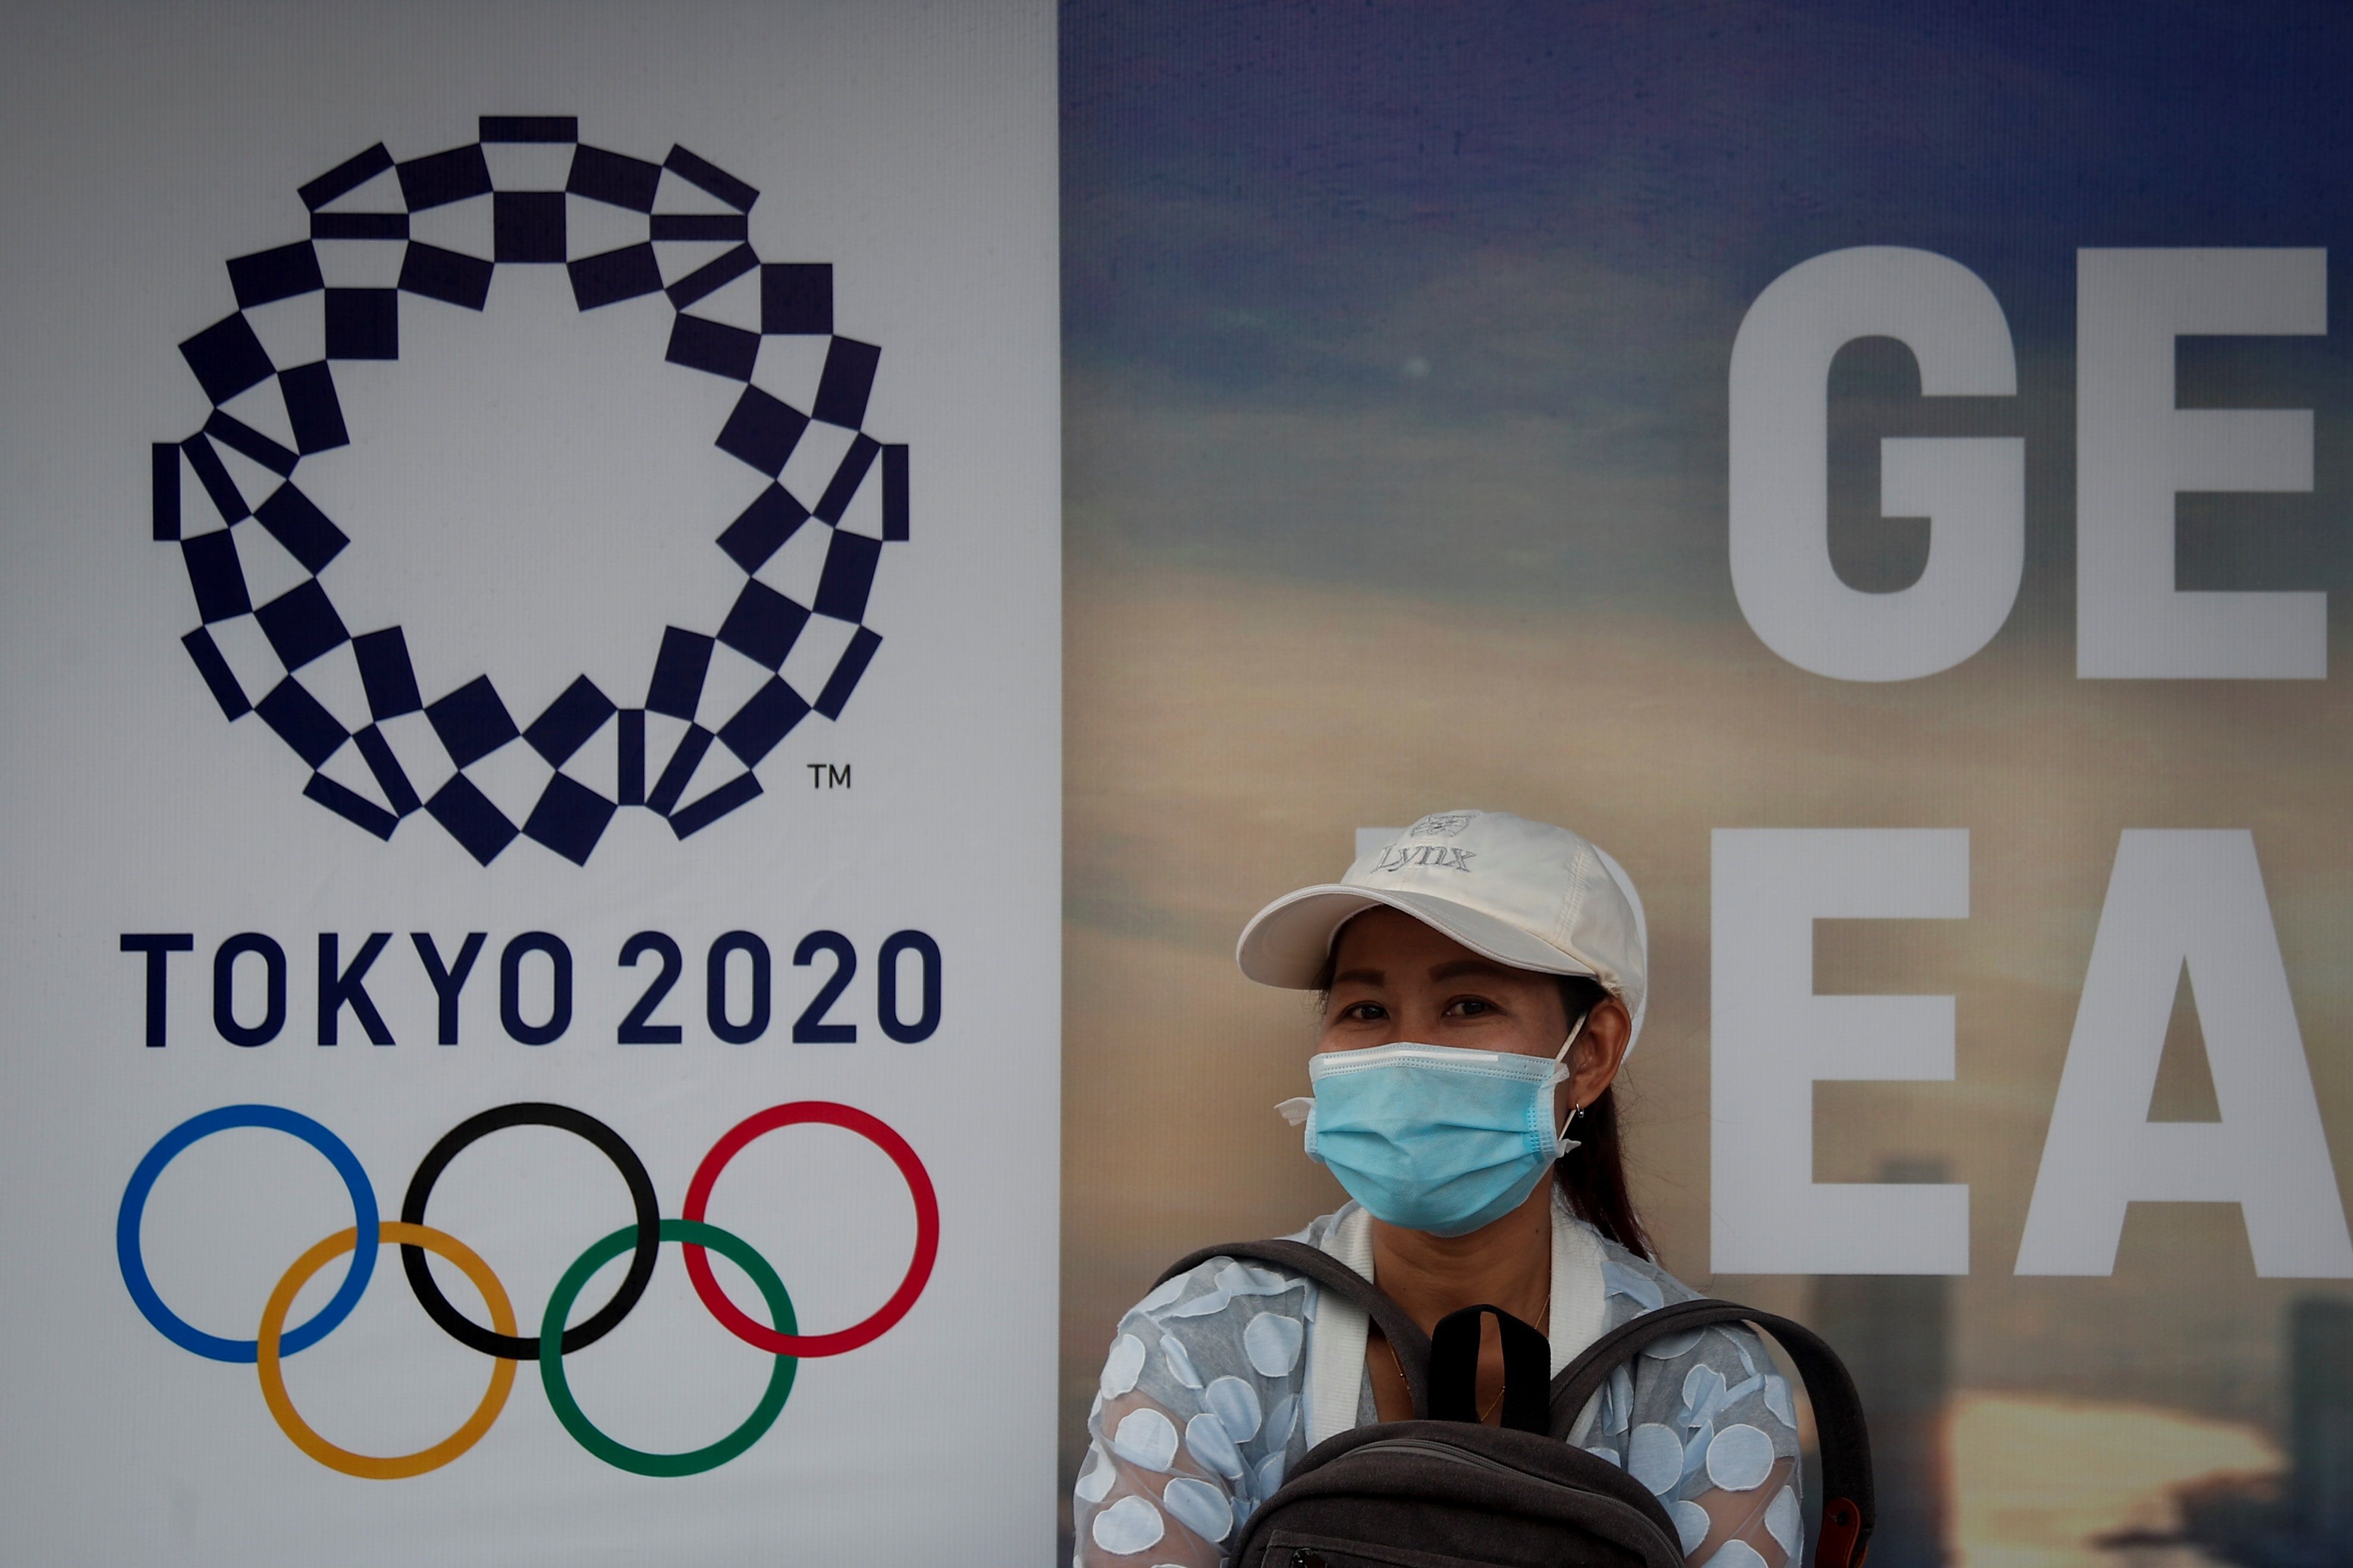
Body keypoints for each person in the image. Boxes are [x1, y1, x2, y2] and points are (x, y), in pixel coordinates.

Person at [1074, 810, 1802, 1567]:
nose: (1406, 1051)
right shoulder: (1197, 1339)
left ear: (1589, 1052)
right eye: (1365, 1011)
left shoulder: (1700, 1380)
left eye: (1466, 1006)